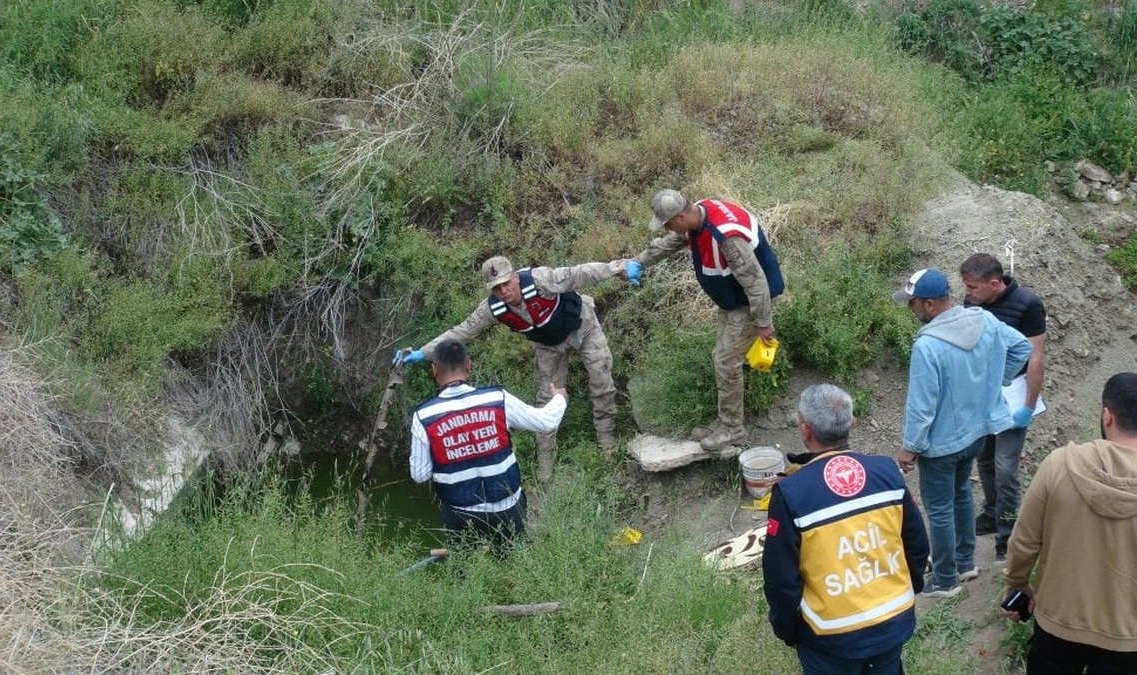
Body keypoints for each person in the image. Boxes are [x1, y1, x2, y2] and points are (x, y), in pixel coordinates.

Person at [395, 255, 637, 482]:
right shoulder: (492, 308)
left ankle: (607, 441)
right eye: (496, 288)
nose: (503, 291)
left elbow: (581, 274)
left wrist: (618, 268)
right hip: (548, 345)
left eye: (505, 283)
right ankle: (546, 464)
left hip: (583, 327)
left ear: (514, 277)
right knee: (545, 398)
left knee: (601, 380)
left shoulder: (541, 280)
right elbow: (463, 330)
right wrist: (422, 353)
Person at [1004, 373, 1137, 674]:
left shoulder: (1058, 466)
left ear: (1107, 415)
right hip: (1130, 638)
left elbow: (1024, 541)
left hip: (1058, 623)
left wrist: (1017, 584)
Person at [762, 384, 930, 675]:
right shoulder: (887, 472)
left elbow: (781, 579)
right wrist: (905, 592)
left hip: (829, 638)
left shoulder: (791, 493)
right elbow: (917, 546)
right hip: (892, 624)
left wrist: (787, 629)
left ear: (805, 430)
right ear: (852, 423)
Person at [893, 268, 1031, 598]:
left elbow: (922, 405)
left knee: (940, 509)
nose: (911, 309)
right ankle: (965, 562)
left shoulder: (928, 346)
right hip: (977, 434)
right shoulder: (983, 320)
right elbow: (1022, 347)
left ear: (929, 305)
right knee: (962, 494)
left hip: (941, 444)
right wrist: (997, 380)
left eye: (912, 303)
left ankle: (945, 580)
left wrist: (910, 447)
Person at [630, 189, 785, 451]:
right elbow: (671, 242)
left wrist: (763, 322)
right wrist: (637, 263)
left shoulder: (726, 239)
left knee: (726, 362)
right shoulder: (698, 214)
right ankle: (725, 421)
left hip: (750, 303)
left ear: (680, 217)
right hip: (732, 298)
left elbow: (756, 282)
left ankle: (733, 429)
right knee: (721, 358)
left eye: (668, 224)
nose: (667, 229)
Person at [408, 339, 567, 551]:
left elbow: (420, 474)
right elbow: (546, 421)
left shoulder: (424, 416)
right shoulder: (497, 399)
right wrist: (560, 398)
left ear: (434, 371)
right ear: (468, 365)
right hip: (507, 509)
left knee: (464, 568)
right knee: (513, 563)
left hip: (460, 514)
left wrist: (452, 451)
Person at [959, 252, 1047, 564]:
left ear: (994, 284)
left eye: (972, 287)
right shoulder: (974, 303)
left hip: (1014, 392)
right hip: (984, 392)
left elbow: (1036, 358)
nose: (967, 293)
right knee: (984, 460)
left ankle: (1008, 532)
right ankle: (993, 512)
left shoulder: (1028, 304)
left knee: (1006, 467)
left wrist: (1028, 406)